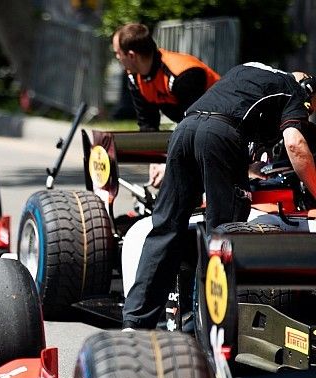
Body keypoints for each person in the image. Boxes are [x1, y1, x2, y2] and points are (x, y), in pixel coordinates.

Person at [122, 64, 316, 331]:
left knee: (166, 228)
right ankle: (208, 325)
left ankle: (135, 322)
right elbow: (295, 144)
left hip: (184, 132)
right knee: (224, 237)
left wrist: (245, 169)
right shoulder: (293, 89)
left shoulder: (248, 73)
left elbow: (218, 119)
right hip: (218, 136)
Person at [112, 23, 220, 186]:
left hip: (221, 123)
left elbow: (197, 127)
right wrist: (155, 160)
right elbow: (148, 123)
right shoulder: (135, 77)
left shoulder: (182, 75)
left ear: (132, 55)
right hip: (196, 127)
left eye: (118, 53)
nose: (117, 58)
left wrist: (170, 163)